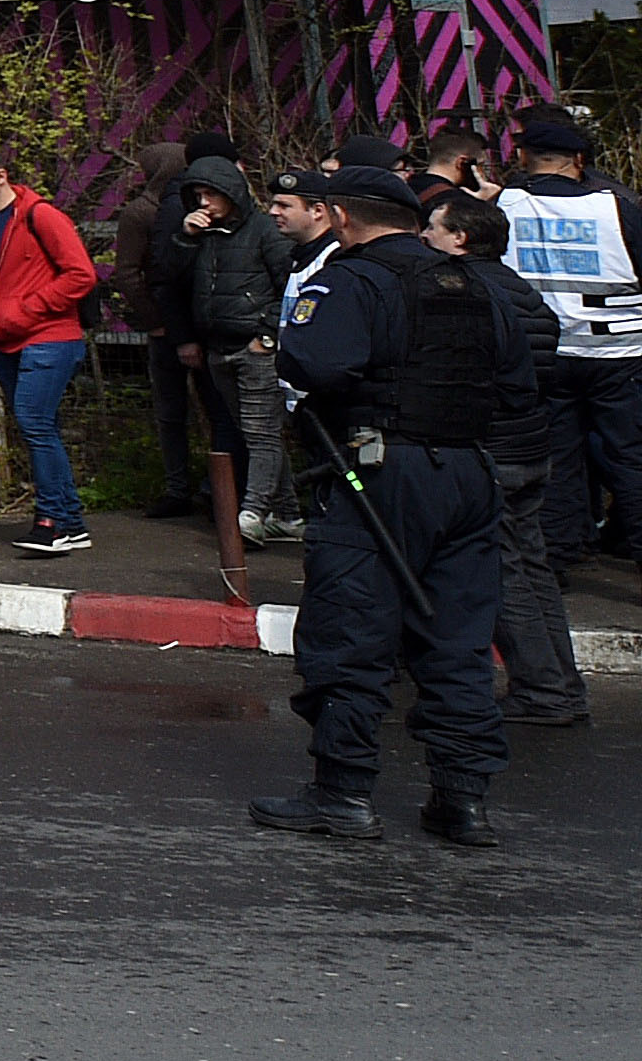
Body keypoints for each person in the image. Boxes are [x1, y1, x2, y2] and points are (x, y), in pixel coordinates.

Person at [254, 169, 510, 841]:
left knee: (350, 631)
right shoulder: (469, 281)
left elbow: (314, 364)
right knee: (457, 641)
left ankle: (342, 793)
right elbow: (517, 377)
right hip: (469, 471)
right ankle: (462, 799)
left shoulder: (354, 279)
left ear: (338, 216)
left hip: (380, 471)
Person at [429, 191, 586, 732]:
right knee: (531, 568)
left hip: (494, 452)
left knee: (503, 572)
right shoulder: (522, 292)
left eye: (434, 228)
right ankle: (560, 685)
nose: (426, 237)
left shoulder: (467, 294)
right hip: (528, 448)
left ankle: (545, 690)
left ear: (460, 238)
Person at [495, 105, 642, 571]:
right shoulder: (616, 205)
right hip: (619, 352)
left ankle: (555, 559)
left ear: (525, 157)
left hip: (542, 352)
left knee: (556, 458)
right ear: (578, 159)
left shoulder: (503, 206)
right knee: (631, 459)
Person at [0, 146, 99, 553]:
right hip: (3, 338)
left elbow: (81, 274)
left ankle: (52, 519)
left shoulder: (40, 214)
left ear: (1, 176)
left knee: (34, 422)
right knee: (37, 426)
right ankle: (69, 520)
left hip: (51, 334)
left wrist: (29, 308)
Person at [163, 155, 291, 540]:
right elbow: (170, 278)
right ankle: (287, 513)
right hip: (217, 345)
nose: (203, 203)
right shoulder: (202, 234)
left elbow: (290, 285)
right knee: (250, 429)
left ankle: (251, 512)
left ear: (230, 194)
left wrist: (266, 336)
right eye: (197, 195)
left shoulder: (265, 232)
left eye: (210, 194)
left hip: (254, 346)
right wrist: (185, 237)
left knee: (260, 432)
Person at [109, 137, 206, 518]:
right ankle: (178, 486)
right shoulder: (140, 215)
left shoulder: (197, 204)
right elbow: (129, 274)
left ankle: (214, 486)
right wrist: (156, 322)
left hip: (199, 320)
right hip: (168, 325)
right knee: (171, 411)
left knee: (211, 410)